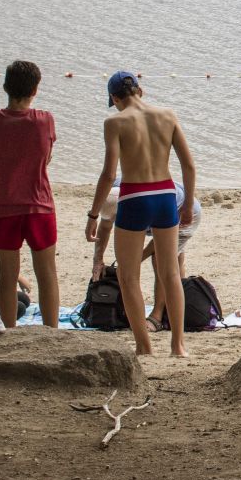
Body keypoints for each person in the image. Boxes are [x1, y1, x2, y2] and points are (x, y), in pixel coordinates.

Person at [85, 71, 198, 358]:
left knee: (128, 276)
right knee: (170, 272)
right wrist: (186, 206)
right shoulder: (167, 115)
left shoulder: (114, 122)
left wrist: (94, 214)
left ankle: (143, 347)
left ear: (115, 98)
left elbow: (110, 173)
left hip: (135, 196)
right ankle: (178, 347)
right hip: (165, 194)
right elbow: (189, 166)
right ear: (140, 90)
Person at [0, 60, 61, 329]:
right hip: (39, 205)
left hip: (3, 206)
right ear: (35, 90)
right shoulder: (44, 120)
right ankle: (51, 331)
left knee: (7, 276)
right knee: (47, 274)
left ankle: (8, 332)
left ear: (5, 86)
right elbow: (46, 158)